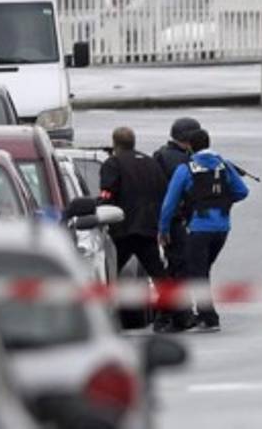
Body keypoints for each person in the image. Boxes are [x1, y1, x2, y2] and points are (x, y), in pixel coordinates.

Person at [158, 129, 248, 332]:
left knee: (195, 271)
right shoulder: (224, 165)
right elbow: (242, 191)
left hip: (198, 227)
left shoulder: (186, 169)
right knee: (202, 269)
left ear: (189, 146)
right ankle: (204, 313)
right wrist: (222, 201)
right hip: (223, 227)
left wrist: (163, 229)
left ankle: (209, 318)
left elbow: (169, 203)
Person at [98, 126, 178, 331]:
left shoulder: (113, 163)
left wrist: (98, 207)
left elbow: (107, 194)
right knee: (158, 274)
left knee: (108, 273)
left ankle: (97, 315)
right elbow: (163, 191)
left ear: (115, 143)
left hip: (123, 227)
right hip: (148, 227)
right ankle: (170, 313)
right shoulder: (151, 163)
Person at [152, 117, 200, 331]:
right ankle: (172, 315)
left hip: (166, 219)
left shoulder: (160, 155)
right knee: (179, 269)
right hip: (177, 220)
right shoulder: (183, 161)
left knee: (174, 267)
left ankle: (175, 314)